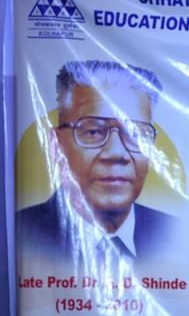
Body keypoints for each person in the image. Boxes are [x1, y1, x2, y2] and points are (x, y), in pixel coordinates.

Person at [17, 60, 178, 264]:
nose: (116, 153)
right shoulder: (21, 233)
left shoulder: (176, 235)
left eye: (135, 134)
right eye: (93, 132)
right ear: (57, 146)